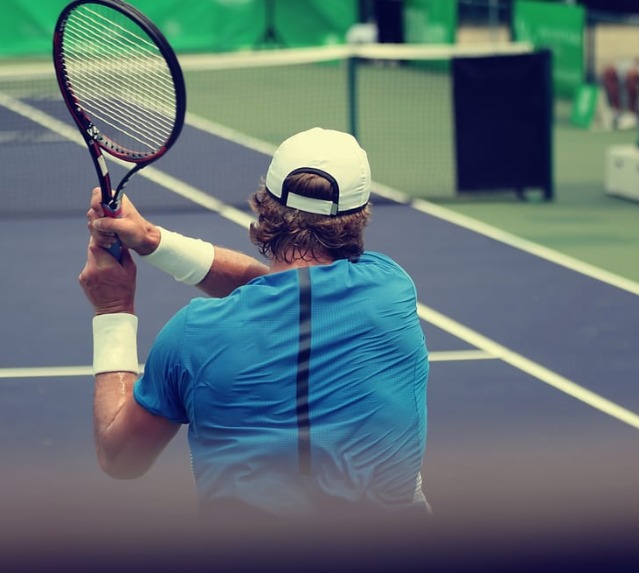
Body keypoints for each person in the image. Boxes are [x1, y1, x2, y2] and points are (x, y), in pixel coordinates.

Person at [79, 128, 431, 534]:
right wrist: (151, 240)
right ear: (360, 215)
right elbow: (291, 289)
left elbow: (120, 459)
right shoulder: (391, 290)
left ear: (266, 206)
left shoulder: (193, 335)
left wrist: (113, 309)